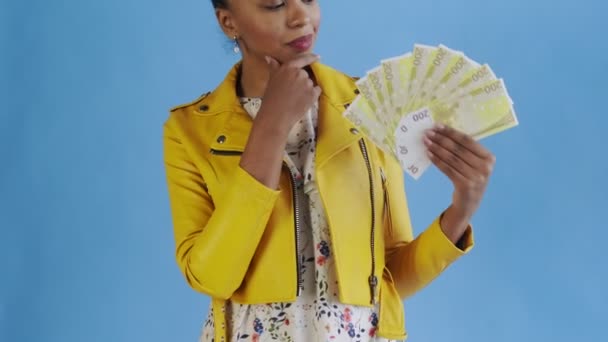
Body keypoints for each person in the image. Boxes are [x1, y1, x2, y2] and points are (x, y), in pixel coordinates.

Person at [163, 1, 496, 341]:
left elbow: (390, 277)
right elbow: (210, 278)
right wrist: (270, 128)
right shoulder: (189, 130)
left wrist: (460, 211)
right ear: (228, 22)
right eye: (275, 4)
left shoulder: (370, 107)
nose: (301, 17)